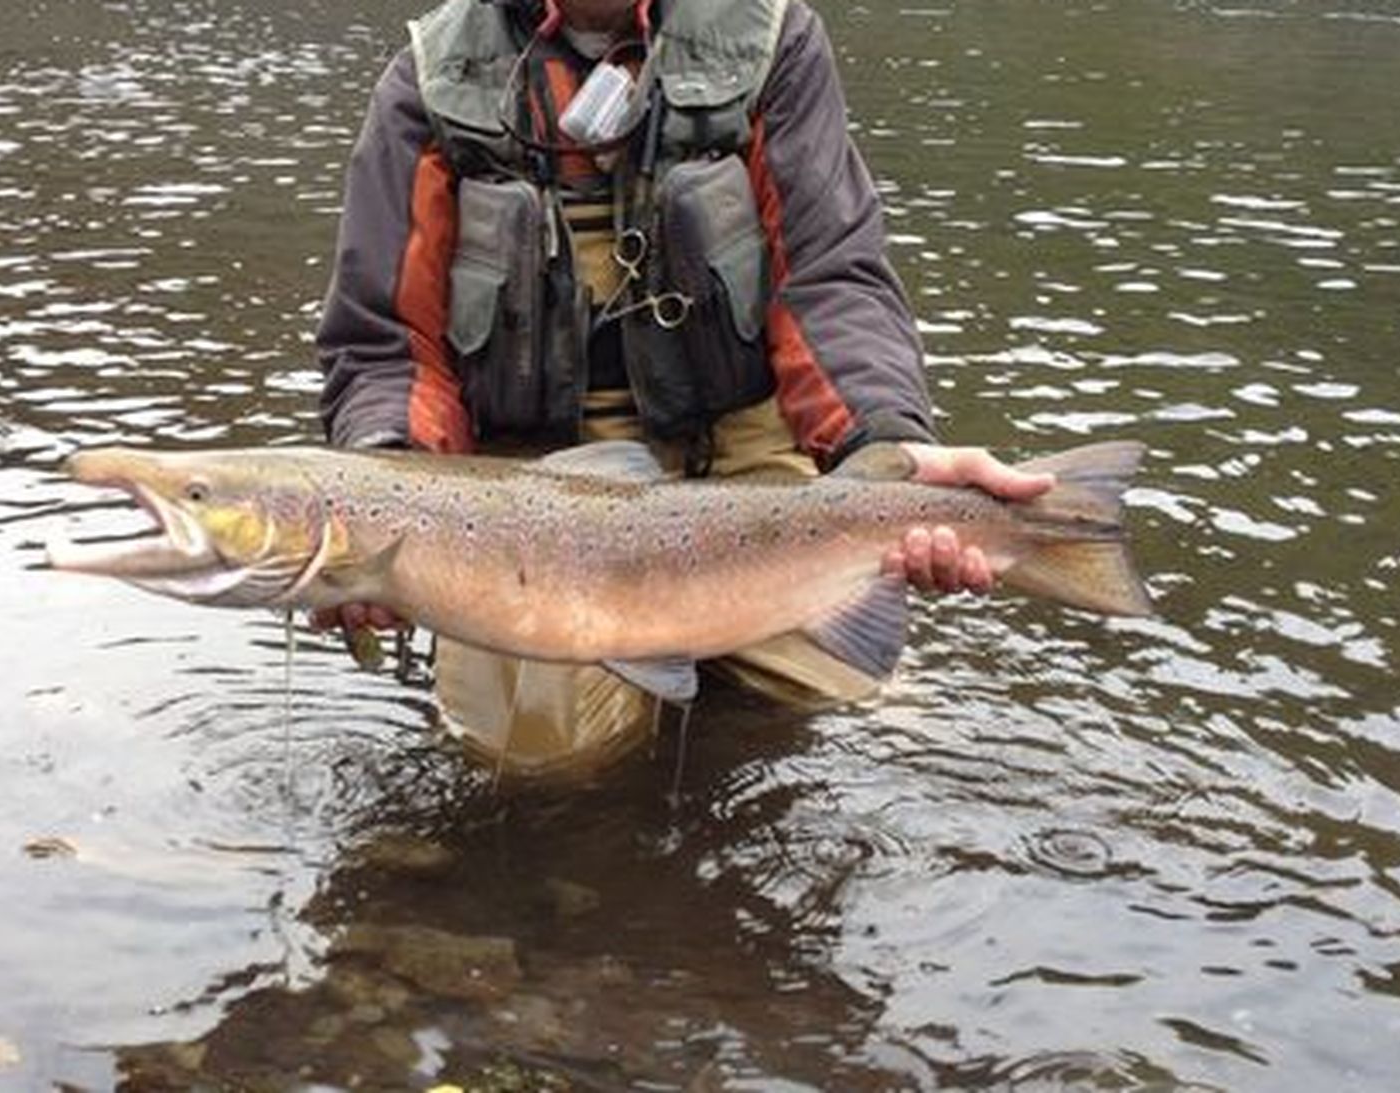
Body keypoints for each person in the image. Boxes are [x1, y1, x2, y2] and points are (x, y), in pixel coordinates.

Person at [311, 0, 1052, 779]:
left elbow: (831, 281)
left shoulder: (772, 40)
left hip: (739, 468)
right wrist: (381, 510)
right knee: (531, 764)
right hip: (531, 506)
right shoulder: (429, 77)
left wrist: (890, 446)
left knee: (849, 715)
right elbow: (390, 347)